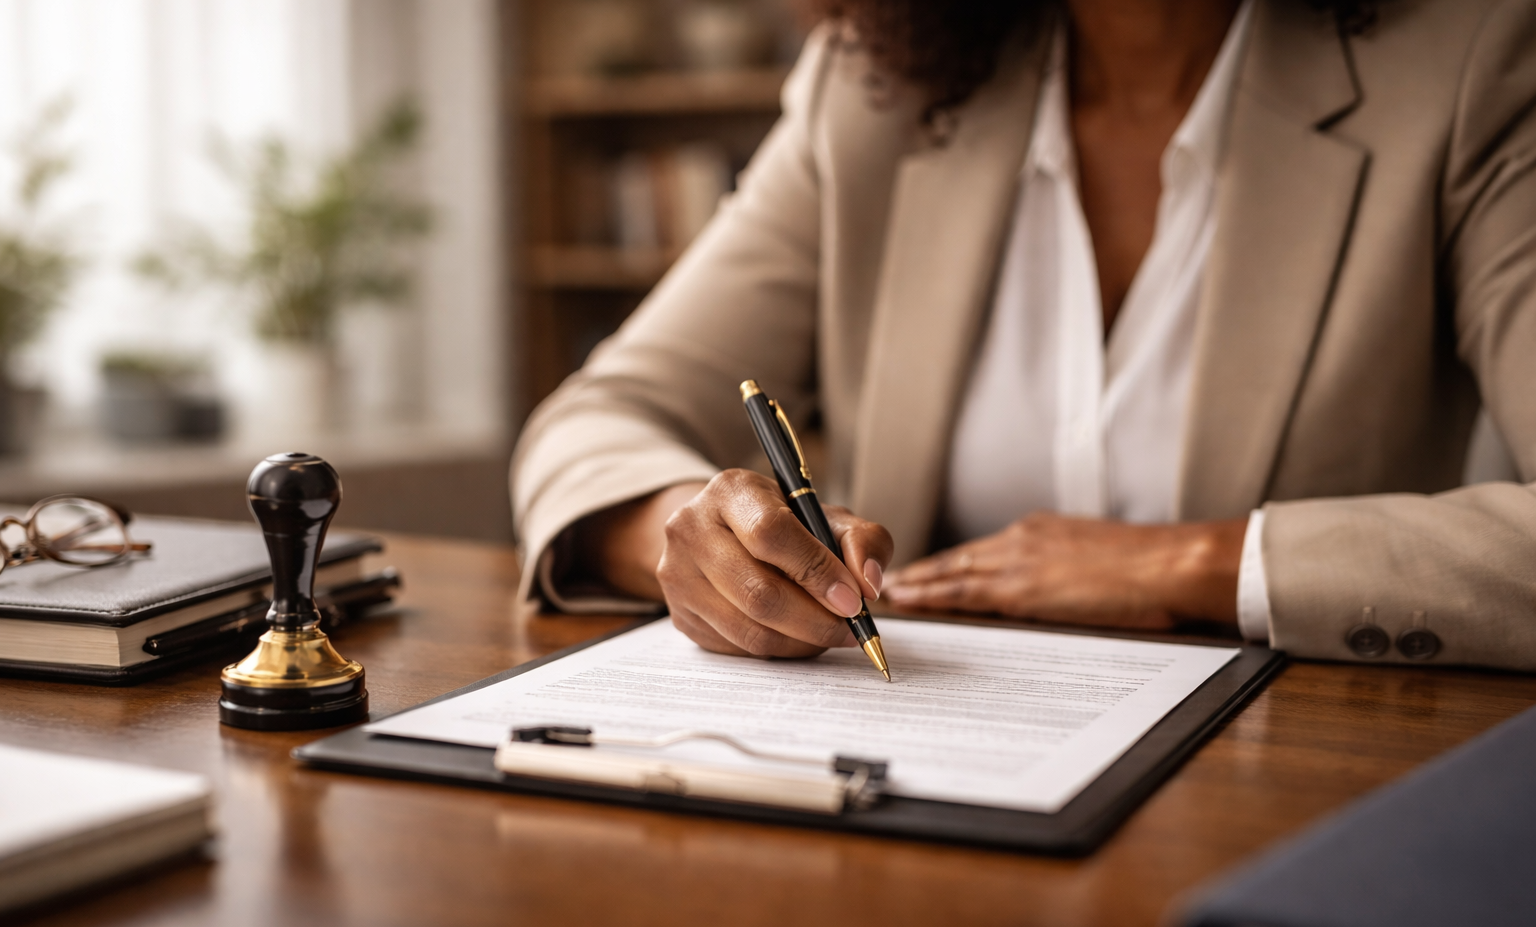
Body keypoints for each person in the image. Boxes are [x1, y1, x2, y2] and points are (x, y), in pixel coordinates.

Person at [512, 0, 1536, 671]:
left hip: (1284, 801)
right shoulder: (872, 89)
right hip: (922, 777)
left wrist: (1193, 562)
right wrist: (696, 540)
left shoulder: (1466, 64)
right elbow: (595, 420)